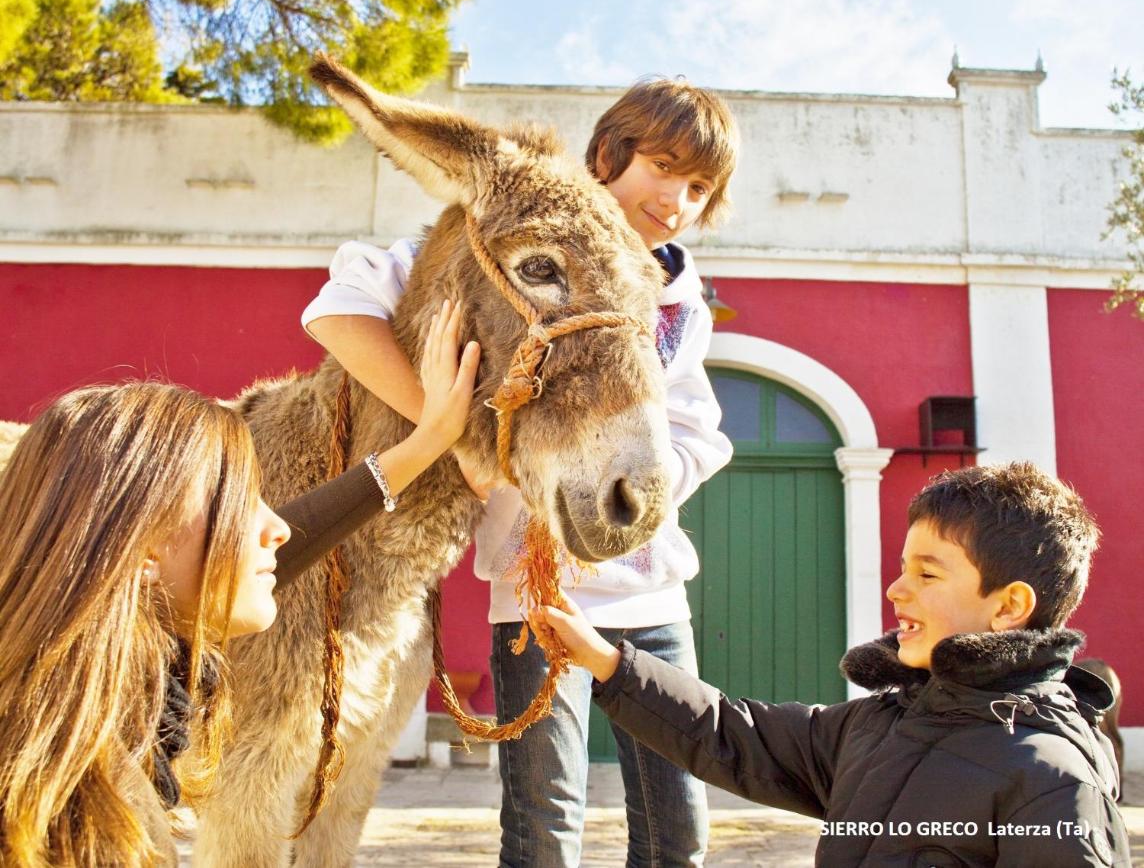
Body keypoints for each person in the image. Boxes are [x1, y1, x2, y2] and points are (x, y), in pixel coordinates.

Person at [301, 77, 740, 865]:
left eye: (701, 187)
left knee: (680, 827)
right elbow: (340, 308)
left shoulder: (678, 301)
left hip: (649, 596)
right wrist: (452, 437)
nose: (677, 199)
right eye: (664, 167)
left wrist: (642, 481)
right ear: (608, 155)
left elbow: (698, 432)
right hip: (532, 598)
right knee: (545, 823)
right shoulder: (516, 231)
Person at [0, 303, 478, 867]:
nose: (278, 527)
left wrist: (431, 439)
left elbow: (301, 533)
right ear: (143, 549)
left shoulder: (82, 714)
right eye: (240, 503)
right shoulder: (75, 819)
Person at [530, 462, 1131, 866]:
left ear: (1009, 607)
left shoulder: (1053, 781)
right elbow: (729, 732)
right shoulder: (874, 725)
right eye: (902, 567)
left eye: (926, 572)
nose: (896, 590)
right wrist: (607, 661)